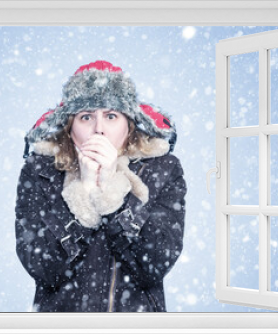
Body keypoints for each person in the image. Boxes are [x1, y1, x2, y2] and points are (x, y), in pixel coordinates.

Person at [15, 60, 187, 312]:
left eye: (111, 116)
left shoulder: (162, 169)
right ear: (70, 128)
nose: (99, 129)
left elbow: (154, 265)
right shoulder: (39, 172)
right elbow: (42, 268)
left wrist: (110, 191)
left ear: (128, 125)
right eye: (86, 117)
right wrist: (83, 193)